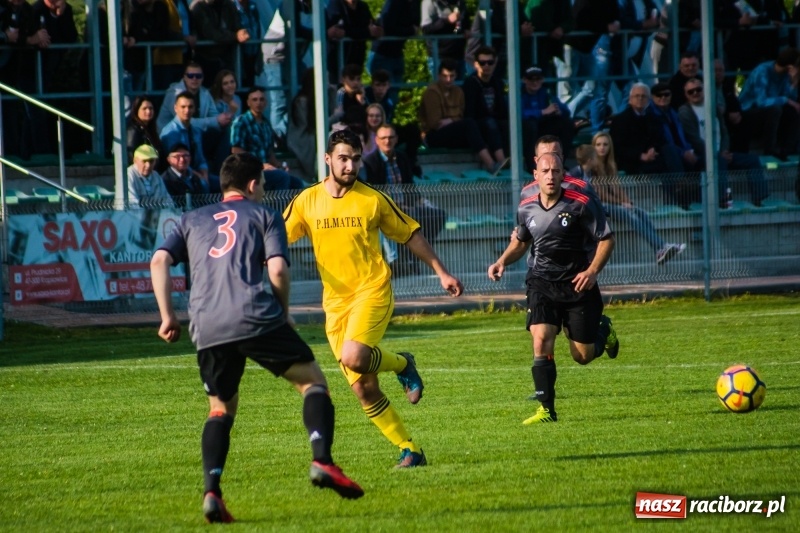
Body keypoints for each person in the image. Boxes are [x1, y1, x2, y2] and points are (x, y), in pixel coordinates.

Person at [150, 152, 364, 524]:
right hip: (254, 315)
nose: (263, 190)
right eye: (262, 184)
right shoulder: (264, 215)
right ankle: (322, 460)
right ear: (252, 185)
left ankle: (212, 492)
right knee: (312, 382)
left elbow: (158, 261)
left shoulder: (190, 219)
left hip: (207, 324)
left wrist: (168, 316)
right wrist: (283, 312)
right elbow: (277, 270)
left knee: (220, 409)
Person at [283, 129, 464, 467]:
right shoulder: (307, 201)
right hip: (335, 305)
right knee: (363, 388)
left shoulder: (372, 199)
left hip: (372, 291)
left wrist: (441, 271)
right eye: (343, 159)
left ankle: (401, 364)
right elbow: (277, 238)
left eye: (355, 159)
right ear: (327, 159)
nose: (350, 166)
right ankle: (410, 449)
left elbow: (409, 233)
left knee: (354, 356)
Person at [487, 152, 619, 424]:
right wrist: (502, 261)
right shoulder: (526, 206)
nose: (550, 176)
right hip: (541, 283)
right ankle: (546, 410)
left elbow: (606, 238)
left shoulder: (580, 203)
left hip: (577, 284)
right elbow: (522, 241)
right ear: (536, 175)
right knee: (540, 339)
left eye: (556, 171)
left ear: (562, 175)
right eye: (545, 171)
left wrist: (592, 271)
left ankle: (603, 331)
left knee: (582, 356)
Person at [579, 133, 686, 265]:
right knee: (628, 214)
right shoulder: (592, 167)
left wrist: (628, 202)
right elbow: (601, 195)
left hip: (610, 204)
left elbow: (617, 188)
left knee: (640, 212)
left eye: (605, 144)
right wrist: (622, 203)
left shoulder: (610, 165)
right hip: (599, 206)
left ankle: (660, 247)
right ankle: (660, 247)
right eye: (598, 144)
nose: (602, 148)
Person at [362, 123, 447, 275]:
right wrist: (395, 206)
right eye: (383, 138)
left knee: (436, 215)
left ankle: (416, 256)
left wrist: (420, 201)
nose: (387, 141)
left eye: (390, 137)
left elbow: (410, 185)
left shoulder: (402, 158)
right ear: (377, 140)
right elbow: (373, 192)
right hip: (386, 208)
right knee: (411, 219)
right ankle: (406, 259)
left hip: (408, 205)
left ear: (396, 139)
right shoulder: (370, 162)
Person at [678, 77, 769, 207]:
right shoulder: (685, 112)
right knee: (719, 161)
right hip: (701, 155)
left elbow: (724, 131)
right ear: (686, 95)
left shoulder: (712, 107)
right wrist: (716, 155)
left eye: (698, 89)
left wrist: (724, 150)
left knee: (752, 160)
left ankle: (760, 198)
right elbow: (693, 139)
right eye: (690, 91)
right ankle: (721, 200)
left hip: (721, 153)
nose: (695, 93)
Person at [419, 59, 505, 172]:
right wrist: (455, 120)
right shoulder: (432, 92)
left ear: (456, 76)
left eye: (452, 76)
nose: (448, 80)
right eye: (445, 76)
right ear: (439, 76)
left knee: (487, 123)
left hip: (453, 131)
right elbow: (435, 123)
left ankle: (502, 161)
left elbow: (461, 116)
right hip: (434, 135)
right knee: (469, 124)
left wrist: (450, 120)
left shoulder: (458, 92)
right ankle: (491, 164)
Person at [230, 86, 305, 190]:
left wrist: (279, 165)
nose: (258, 103)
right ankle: (278, 201)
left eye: (261, 99)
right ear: (248, 102)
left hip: (265, 170)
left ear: (266, 102)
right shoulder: (241, 122)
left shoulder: (266, 124)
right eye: (254, 100)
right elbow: (236, 151)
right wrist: (260, 165)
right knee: (281, 177)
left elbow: (270, 153)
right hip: (249, 171)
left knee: (297, 183)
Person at [738, 47, 800, 161]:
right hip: (749, 111)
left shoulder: (785, 76)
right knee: (775, 109)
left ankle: (789, 150)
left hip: (771, 113)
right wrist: (786, 100)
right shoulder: (762, 72)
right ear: (790, 67)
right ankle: (769, 150)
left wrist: (794, 82)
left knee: (793, 110)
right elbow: (761, 102)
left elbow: (790, 98)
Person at [520, 65, 575, 173]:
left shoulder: (546, 92)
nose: (535, 82)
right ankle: (533, 167)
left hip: (543, 127)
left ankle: (559, 164)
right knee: (531, 126)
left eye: (538, 79)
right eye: (531, 79)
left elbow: (565, 110)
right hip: (526, 129)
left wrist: (559, 111)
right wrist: (542, 112)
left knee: (567, 124)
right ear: (525, 80)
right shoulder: (519, 93)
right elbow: (519, 113)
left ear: (542, 80)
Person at [463, 46, 509, 169]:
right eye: (482, 63)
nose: (486, 66)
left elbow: (502, 111)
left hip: (494, 121)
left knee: (512, 125)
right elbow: (470, 113)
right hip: (478, 123)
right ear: (475, 64)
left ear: (495, 63)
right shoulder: (470, 83)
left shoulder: (497, 82)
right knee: (490, 123)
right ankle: (500, 161)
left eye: (490, 62)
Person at [159, 90, 214, 192]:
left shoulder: (196, 130)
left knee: (223, 183)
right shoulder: (170, 132)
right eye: (183, 107)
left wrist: (204, 173)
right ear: (176, 108)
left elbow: (201, 158)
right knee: (203, 185)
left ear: (194, 109)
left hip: (197, 173)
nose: (187, 110)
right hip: (178, 176)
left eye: (190, 107)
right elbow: (176, 162)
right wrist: (199, 177)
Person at [190, 0, 249, 86]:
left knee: (228, 89)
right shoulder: (198, 6)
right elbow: (210, 33)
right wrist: (235, 36)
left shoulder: (229, 5)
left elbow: (237, 27)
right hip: (206, 59)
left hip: (226, 60)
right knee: (208, 89)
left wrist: (242, 33)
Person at [420, 0, 468, 79]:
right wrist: (447, 21)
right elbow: (426, 30)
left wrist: (466, 29)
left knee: (459, 86)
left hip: (459, 55)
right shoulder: (430, 2)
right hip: (439, 57)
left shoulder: (460, 2)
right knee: (441, 86)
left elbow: (463, 23)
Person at [209, 69, 242, 174]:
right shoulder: (215, 102)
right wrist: (231, 111)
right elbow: (220, 124)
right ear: (220, 86)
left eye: (232, 82)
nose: (230, 86)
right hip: (218, 135)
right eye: (225, 83)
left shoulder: (237, 99)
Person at [127, 96, 166, 173]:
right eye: (144, 108)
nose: (148, 111)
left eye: (151, 108)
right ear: (137, 110)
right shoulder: (133, 130)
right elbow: (130, 156)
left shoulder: (151, 129)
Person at [127, 144, 173, 208]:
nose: (148, 165)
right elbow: (132, 204)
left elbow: (168, 201)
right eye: (144, 161)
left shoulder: (156, 176)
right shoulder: (128, 175)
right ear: (135, 160)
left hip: (157, 213)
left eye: (151, 161)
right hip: (133, 214)